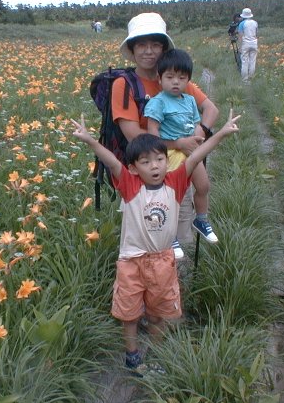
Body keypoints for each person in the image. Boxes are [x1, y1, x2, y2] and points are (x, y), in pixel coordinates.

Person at [70, 109, 241, 375]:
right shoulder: (129, 184)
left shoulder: (175, 181)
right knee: (129, 313)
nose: (155, 166)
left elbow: (195, 155)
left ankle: (158, 355)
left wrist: (221, 132)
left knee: (159, 313)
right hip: (131, 261)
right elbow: (112, 163)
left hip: (163, 259)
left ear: (167, 162)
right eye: (146, 162)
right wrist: (91, 141)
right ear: (133, 168)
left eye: (160, 159)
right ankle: (132, 355)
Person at [111, 12, 219, 258]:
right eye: (141, 44)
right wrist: (181, 143)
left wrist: (197, 135)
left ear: (163, 48)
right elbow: (134, 137)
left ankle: (176, 290)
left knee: (181, 231)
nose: (149, 51)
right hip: (143, 179)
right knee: (146, 243)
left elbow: (211, 110)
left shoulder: (176, 80)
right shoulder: (124, 84)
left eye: (155, 44)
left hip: (181, 169)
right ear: (132, 48)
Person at [144, 48, 218, 244]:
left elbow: (195, 123)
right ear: (159, 79)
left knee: (203, 186)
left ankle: (201, 220)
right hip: (170, 155)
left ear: (189, 80)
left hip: (190, 153)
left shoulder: (191, 101)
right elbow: (153, 135)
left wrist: (197, 138)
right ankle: (172, 235)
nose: (176, 82)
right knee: (173, 197)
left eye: (182, 77)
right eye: (170, 77)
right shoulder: (157, 103)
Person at [237, 8, 258, 83]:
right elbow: (256, 34)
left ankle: (245, 80)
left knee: (245, 62)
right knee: (253, 61)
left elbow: (240, 36)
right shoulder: (255, 23)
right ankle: (251, 78)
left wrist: (240, 46)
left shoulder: (242, 24)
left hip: (245, 44)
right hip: (254, 43)